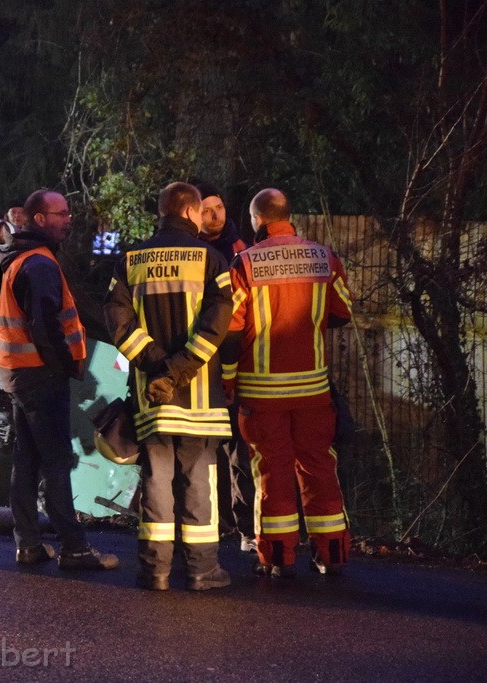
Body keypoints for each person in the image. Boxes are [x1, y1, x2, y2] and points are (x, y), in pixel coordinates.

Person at [104, 182, 234, 591]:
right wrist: (178, 368)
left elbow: (119, 324)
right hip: (199, 400)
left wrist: (156, 367)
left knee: (156, 482)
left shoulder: (130, 261)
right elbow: (217, 324)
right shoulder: (211, 260)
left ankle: (155, 571)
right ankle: (201, 570)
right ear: (193, 213)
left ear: (161, 212)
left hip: (151, 397)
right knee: (198, 481)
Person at [222, 188, 353, 578]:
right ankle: (332, 554)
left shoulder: (244, 263)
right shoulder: (323, 257)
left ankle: (278, 558)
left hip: (262, 393)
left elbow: (231, 330)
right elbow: (342, 313)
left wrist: (229, 380)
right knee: (319, 467)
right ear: (286, 214)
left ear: (257, 220)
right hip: (313, 390)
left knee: (272, 471)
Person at [0, 188, 119, 571]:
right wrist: (65, 365)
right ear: (39, 219)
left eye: (68, 213)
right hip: (40, 376)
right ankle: (74, 547)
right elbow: (46, 326)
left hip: (20, 375)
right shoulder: (40, 265)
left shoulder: (23, 260)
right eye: (60, 213)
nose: (68, 219)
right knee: (56, 461)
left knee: (28, 460)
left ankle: (28, 544)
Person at [194, 181, 256, 554]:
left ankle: (246, 528)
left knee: (239, 451)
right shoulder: (191, 253)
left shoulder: (241, 250)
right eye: (206, 209)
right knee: (202, 450)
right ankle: (209, 525)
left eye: (218, 207)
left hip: (233, 362)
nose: (215, 214)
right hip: (199, 360)